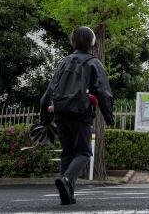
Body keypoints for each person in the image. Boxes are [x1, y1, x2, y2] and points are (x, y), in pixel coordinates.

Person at [40, 26, 114, 206]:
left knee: (67, 153)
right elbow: (103, 92)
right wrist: (109, 117)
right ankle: (66, 181)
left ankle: (67, 195)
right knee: (83, 152)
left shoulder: (63, 62)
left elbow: (48, 92)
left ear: (73, 41)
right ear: (92, 42)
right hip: (80, 114)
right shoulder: (93, 63)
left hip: (59, 113)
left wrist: (45, 118)